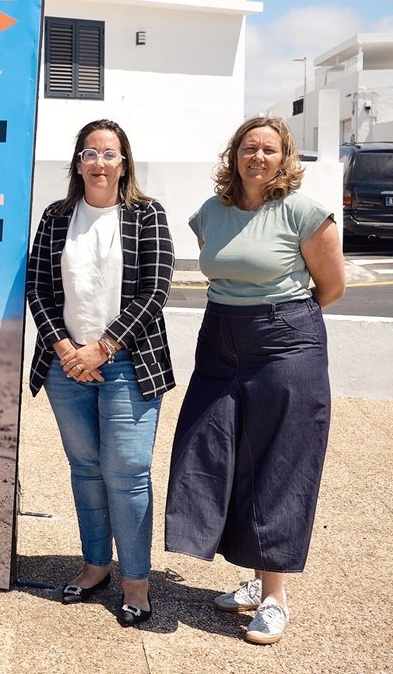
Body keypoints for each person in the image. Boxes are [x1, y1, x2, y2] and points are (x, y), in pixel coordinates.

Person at [164, 116, 345, 645]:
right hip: (220, 339)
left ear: (284, 156)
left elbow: (330, 288)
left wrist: (279, 324)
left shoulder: (304, 212)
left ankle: (274, 597)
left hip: (287, 342)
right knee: (212, 452)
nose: (258, 157)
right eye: (249, 148)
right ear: (234, 155)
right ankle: (253, 572)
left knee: (281, 460)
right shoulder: (210, 213)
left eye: (269, 149)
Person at [25, 118, 174, 628]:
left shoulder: (147, 215)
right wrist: (65, 347)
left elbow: (156, 291)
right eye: (90, 154)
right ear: (78, 163)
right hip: (67, 365)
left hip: (130, 363)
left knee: (128, 474)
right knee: (85, 469)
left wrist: (104, 347)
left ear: (123, 162)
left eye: (109, 154)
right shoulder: (57, 215)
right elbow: (37, 287)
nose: (99, 163)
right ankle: (95, 566)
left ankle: (136, 582)